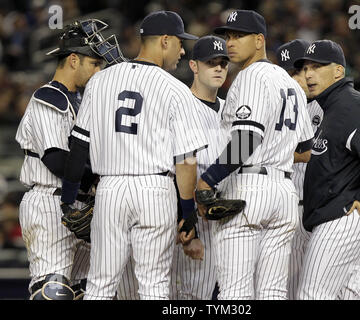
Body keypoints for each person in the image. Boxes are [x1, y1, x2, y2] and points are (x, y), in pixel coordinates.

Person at [59, 10, 206, 300]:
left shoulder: (100, 81)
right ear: (164, 41)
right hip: (154, 189)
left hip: (110, 189)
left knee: (100, 283)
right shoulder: (176, 90)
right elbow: (187, 161)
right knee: (153, 285)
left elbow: (78, 146)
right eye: (180, 42)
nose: (183, 49)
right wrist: (187, 214)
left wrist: (68, 200)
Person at [195, 10, 314, 300]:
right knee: (273, 292)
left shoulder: (251, 76)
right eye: (228, 36)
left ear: (259, 40)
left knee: (235, 292)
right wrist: (278, 153)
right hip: (284, 193)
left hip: (248, 189)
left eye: (239, 36)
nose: (230, 43)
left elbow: (247, 138)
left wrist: (207, 180)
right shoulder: (290, 84)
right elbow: (305, 149)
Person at [15, 19, 125, 300]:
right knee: (54, 291)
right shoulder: (49, 97)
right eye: (95, 64)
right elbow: (55, 159)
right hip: (51, 201)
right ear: (73, 59)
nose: (99, 71)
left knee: (87, 292)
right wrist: (98, 180)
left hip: (84, 203)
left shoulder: (87, 101)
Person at [293, 39, 360, 300]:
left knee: (312, 295)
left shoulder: (351, 105)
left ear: (338, 71)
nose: (309, 74)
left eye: (317, 67)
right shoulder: (331, 107)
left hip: (342, 216)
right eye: (306, 68)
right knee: (348, 295)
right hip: (332, 215)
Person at [170, 35, 229, 300]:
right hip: (187, 214)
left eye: (223, 63)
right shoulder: (179, 105)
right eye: (210, 63)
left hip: (219, 216)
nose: (218, 68)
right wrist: (187, 223)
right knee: (181, 295)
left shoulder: (231, 111)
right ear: (194, 66)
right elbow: (177, 167)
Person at [276, 39, 323, 299]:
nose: (296, 78)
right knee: (288, 288)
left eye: (299, 71)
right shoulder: (276, 105)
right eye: (289, 73)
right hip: (287, 208)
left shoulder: (328, 105)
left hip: (320, 210)